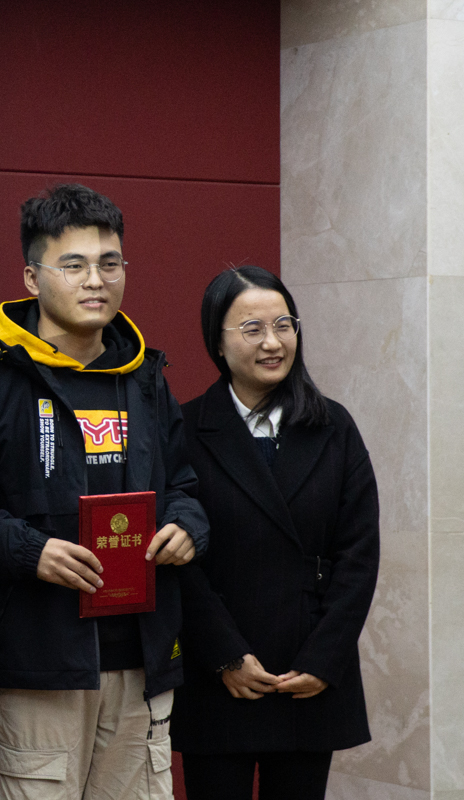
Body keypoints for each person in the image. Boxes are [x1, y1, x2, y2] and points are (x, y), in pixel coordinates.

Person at [0, 183, 209, 800]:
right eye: (74, 265)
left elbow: (185, 486)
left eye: (109, 263)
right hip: (38, 664)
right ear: (32, 278)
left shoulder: (144, 376)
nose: (96, 281)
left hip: (141, 661)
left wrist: (186, 527)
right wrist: (29, 550)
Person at [171, 266, 379, 800]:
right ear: (217, 342)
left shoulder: (334, 426)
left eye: (284, 325)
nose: (272, 342)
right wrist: (225, 655)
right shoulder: (184, 429)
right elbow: (177, 562)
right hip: (220, 674)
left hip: (305, 672)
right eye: (253, 329)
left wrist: (323, 659)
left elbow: (359, 555)